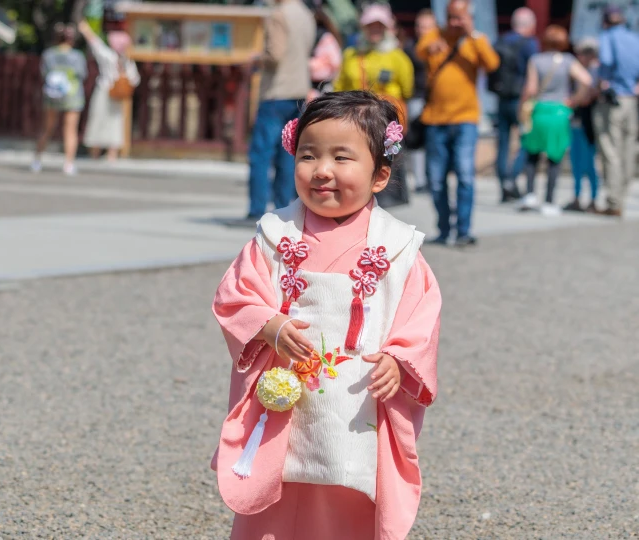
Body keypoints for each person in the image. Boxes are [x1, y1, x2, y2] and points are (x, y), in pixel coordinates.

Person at [212, 91, 441, 539]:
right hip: (285, 394)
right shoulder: (275, 236)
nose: (322, 170)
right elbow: (235, 296)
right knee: (277, 483)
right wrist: (269, 324)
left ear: (380, 175)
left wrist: (398, 359)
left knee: (349, 485)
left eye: (341, 157)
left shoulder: (397, 248)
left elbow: (420, 316)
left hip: (357, 399)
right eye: (308, 155)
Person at [416, 0, 500, 246]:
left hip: (465, 119)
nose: (455, 22)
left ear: (468, 17)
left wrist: (471, 33)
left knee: (465, 175)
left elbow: (492, 63)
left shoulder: (475, 40)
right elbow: (420, 50)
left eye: (459, 17)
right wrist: (432, 45)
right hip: (436, 118)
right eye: (451, 17)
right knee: (437, 179)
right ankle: (444, 229)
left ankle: (463, 230)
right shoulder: (435, 35)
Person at [335, 4, 413, 208]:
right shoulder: (351, 54)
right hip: (354, 116)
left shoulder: (397, 56)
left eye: (379, 26)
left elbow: (407, 89)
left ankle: (386, 201)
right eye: (371, 26)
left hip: (385, 119)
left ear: (388, 28)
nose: (375, 31)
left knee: (384, 158)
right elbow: (340, 86)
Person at [245, 0, 315, 221]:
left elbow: (274, 54)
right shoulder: (306, 14)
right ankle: (283, 206)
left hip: (276, 90)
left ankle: (257, 208)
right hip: (298, 89)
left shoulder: (278, 15)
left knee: (261, 154)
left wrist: (256, 59)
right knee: (288, 152)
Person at [517, 25, 592, 216]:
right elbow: (586, 80)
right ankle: (549, 201)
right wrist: (574, 100)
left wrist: (522, 109)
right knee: (554, 157)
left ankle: (530, 195)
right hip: (559, 112)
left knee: (532, 155)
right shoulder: (567, 60)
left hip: (539, 111)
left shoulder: (536, 60)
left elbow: (531, 89)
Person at [593, 4, 639, 217]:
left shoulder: (607, 36)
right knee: (628, 149)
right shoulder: (633, 38)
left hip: (612, 100)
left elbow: (607, 60)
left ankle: (614, 200)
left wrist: (602, 78)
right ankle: (622, 193)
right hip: (631, 100)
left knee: (610, 149)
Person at [490, 7, 539, 202]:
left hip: (501, 98)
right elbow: (533, 75)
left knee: (502, 143)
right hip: (522, 99)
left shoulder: (500, 41)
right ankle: (511, 178)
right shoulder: (530, 44)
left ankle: (505, 186)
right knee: (527, 140)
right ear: (529, 25)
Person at [79, 21, 140, 162]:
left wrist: (85, 29)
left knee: (98, 120)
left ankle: (94, 154)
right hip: (118, 96)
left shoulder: (108, 56)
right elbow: (135, 79)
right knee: (115, 123)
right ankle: (112, 155)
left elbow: (95, 44)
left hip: (104, 92)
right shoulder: (128, 62)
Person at [33, 23, 88, 176]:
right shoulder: (77, 56)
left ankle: (37, 159)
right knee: (70, 130)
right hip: (73, 95)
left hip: (53, 94)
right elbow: (82, 74)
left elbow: (44, 73)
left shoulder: (49, 54)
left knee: (47, 128)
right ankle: (68, 164)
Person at [564, 38, 601, 213]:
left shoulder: (597, 72)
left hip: (590, 123)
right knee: (576, 162)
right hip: (576, 121)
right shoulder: (576, 71)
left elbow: (589, 97)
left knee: (589, 163)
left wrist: (576, 99)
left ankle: (593, 199)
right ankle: (577, 197)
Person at [403, 9, 437, 194]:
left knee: (434, 141)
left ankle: (433, 177)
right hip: (417, 97)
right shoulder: (411, 47)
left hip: (435, 100)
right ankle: (420, 180)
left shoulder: (441, 46)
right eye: (419, 26)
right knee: (417, 141)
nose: (421, 30)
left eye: (426, 26)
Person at [307, 6, 342, 100]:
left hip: (322, 87)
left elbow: (334, 63)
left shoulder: (325, 37)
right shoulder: (320, 36)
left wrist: (309, 64)